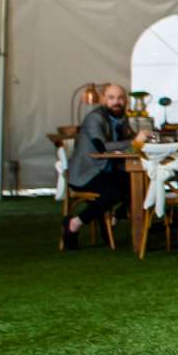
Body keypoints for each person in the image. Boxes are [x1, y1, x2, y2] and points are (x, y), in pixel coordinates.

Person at [63, 83, 134, 243]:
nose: (117, 102)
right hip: (85, 173)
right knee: (115, 192)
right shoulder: (95, 118)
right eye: (112, 98)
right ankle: (75, 223)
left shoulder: (122, 118)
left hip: (106, 171)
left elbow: (128, 138)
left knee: (140, 183)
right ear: (103, 100)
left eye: (121, 98)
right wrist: (133, 142)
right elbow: (102, 146)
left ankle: (115, 217)